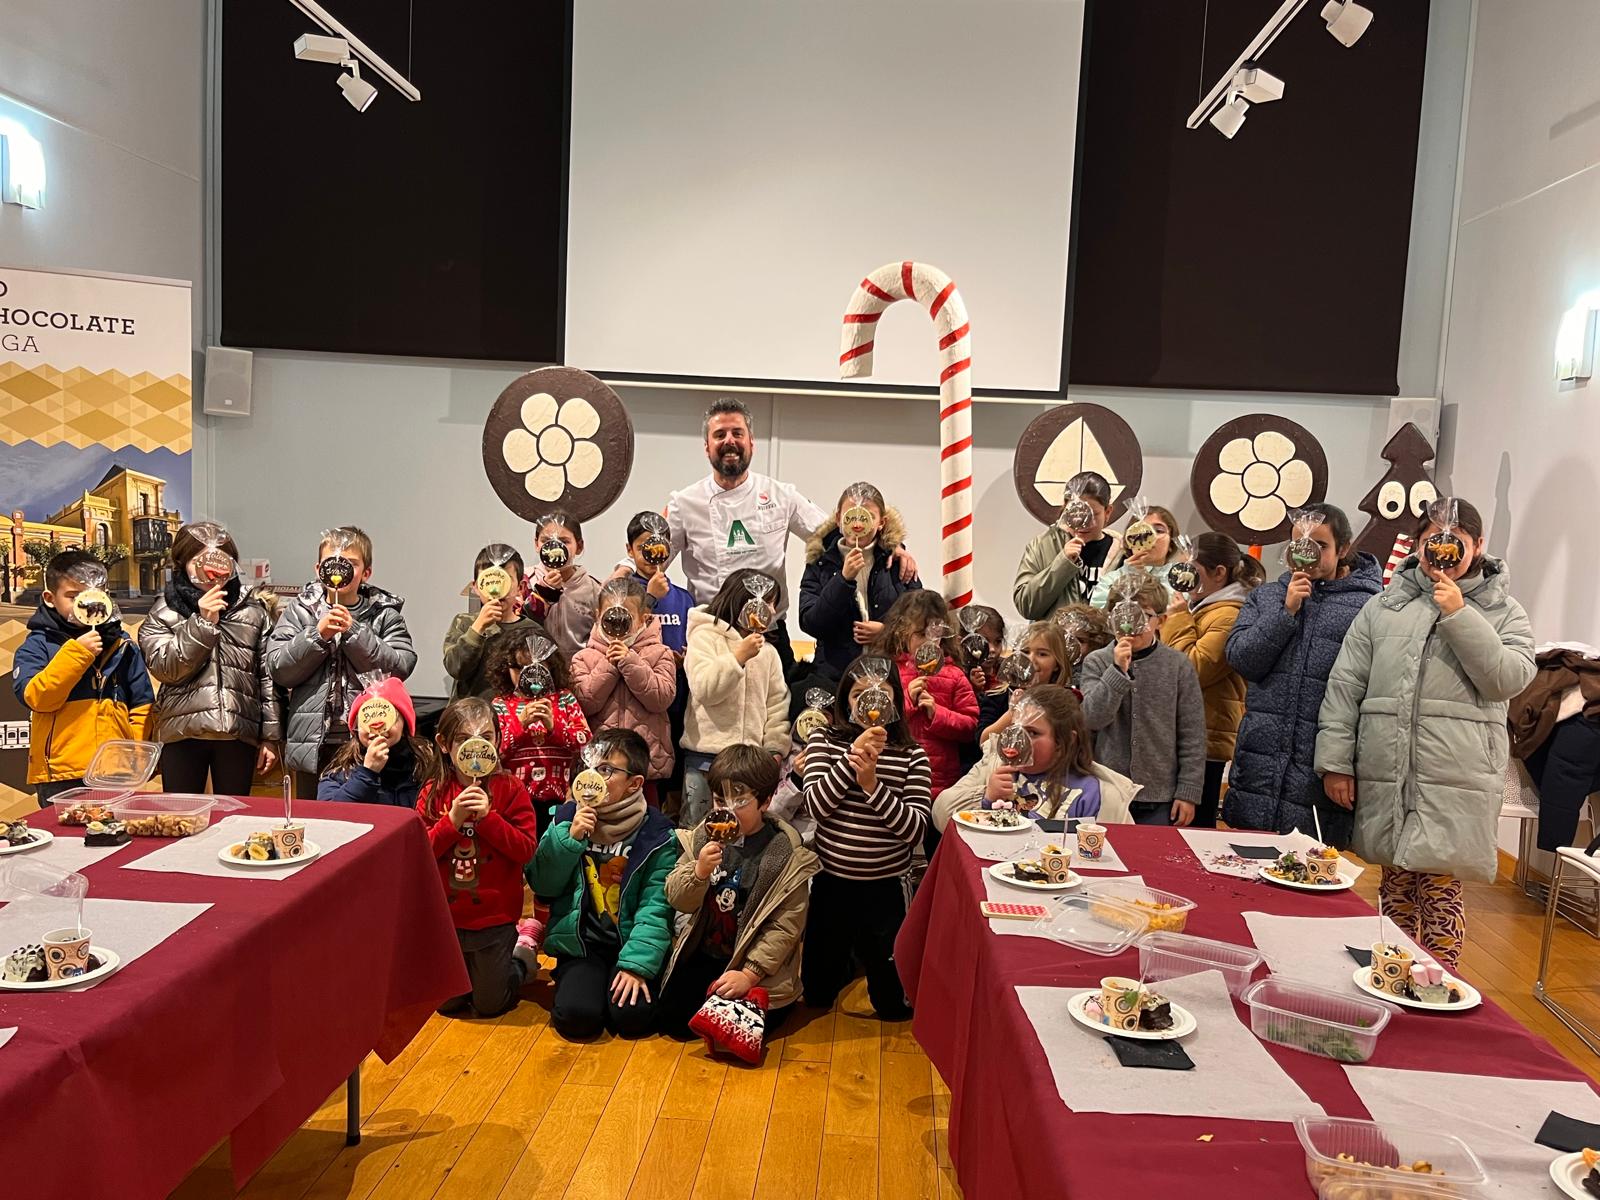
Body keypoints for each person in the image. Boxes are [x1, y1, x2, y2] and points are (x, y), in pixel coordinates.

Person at [1316, 499, 1534, 969]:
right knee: (1394, 882)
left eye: (1455, 540)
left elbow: (1509, 679)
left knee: (1440, 885)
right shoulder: (1385, 605)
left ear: (1477, 546)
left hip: (1456, 772)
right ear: (1416, 545)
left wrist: (1460, 615)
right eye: (1430, 539)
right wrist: (1335, 761)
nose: (1442, 550)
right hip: (1387, 766)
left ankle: (1437, 987)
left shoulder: (1503, 609)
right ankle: (1390, 975)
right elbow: (1346, 684)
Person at [666, 398, 914, 674]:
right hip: (712, 637)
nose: (729, 441)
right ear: (707, 446)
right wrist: (625, 570)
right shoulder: (684, 503)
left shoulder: (781, 495)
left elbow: (836, 531)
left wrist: (893, 545)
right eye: (719, 434)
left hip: (770, 634)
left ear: (751, 442)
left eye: (738, 433)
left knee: (776, 714)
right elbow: (652, 559)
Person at [1224, 504, 1382, 841]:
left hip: (1321, 769)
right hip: (1260, 764)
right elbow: (1241, 659)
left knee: (1313, 869)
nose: (1308, 552)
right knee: (1244, 868)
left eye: (1321, 545)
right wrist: (1285, 612)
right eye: (1300, 543)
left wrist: (1344, 764)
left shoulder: (1370, 607)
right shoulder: (1266, 597)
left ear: (1345, 548)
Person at [658, 745, 820, 1041]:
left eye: (740, 800)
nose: (727, 810)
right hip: (708, 952)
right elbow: (676, 897)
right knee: (672, 1022)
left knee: (730, 1032)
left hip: (757, 966)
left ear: (766, 801)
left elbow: (785, 927)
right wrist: (699, 872)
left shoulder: (784, 852)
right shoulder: (703, 836)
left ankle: (749, 1001)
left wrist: (749, 974)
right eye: (720, 799)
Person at [802, 656, 932, 1019]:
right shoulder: (824, 740)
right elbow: (815, 806)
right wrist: (851, 760)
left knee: (893, 1006)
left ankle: (868, 965)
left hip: (886, 887)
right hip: (831, 881)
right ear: (846, 699)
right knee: (816, 993)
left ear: (895, 702)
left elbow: (914, 830)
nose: (869, 704)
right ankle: (846, 964)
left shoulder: (912, 755)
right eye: (859, 694)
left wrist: (872, 785)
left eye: (880, 694)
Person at [528, 728, 678, 1040]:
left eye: (607, 770)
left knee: (632, 1019)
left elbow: (655, 905)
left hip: (630, 942)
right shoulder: (566, 817)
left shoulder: (656, 834)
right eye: (590, 766)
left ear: (635, 784)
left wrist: (637, 965)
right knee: (576, 1019)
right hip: (583, 946)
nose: (594, 777)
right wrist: (569, 840)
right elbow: (543, 885)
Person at [267, 526, 417, 798]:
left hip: (369, 738)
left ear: (366, 572)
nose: (340, 571)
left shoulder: (385, 615)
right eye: (331, 564)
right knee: (315, 822)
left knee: (365, 817)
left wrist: (355, 633)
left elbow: (400, 666)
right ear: (318, 569)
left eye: (351, 564)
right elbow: (279, 668)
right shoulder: (300, 612)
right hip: (312, 742)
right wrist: (317, 635)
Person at [418, 697, 540, 1018]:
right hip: (447, 920)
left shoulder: (510, 789)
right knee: (448, 1004)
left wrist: (488, 820)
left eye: (485, 739)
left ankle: (522, 955)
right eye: (463, 740)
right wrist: (451, 822)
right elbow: (421, 857)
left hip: (494, 920)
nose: (475, 749)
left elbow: (526, 849)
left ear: (498, 742)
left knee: (489, 1004)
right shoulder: (433, 791)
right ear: (444, 744)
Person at [139, 522, 279, 795]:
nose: (211, 571)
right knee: (180, 818)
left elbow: (267, 678)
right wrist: (202, 623)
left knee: (236, 819)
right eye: (198, 560)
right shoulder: (163, 612)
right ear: (182, 562)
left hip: (239, 732)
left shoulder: (253, 613)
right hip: (182, 734)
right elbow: (166, 669)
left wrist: (271, 737)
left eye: (221, 561)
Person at [14, 549, 153, 805]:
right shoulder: (38, 644)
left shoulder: (122, 645)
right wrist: (78, 653)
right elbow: (38, 698)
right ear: (49, 598)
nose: (86, 604)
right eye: (73, 596)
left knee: (116, 838)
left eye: (94, 596)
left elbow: (142, 703)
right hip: (61, 773)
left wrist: (131, 755)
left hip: (115, 773)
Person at [1077, 572, 1205, 826]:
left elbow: (1192, 733)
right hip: (1106, 790)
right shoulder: (1097, 661)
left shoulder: (1177, 665)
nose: (1130, 625)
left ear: (1161, 620)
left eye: (1142, 617)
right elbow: (1090, 719)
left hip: (1159, 795)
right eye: (1121, 615)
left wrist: (1188, 791)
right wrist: (1116, 671)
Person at [1159, 532, 1265, 827]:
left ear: (1219, 573)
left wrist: (1178, 618)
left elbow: (1191, 669)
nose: (1183, 578)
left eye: (1191, 571)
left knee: (1193, 828)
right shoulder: (1204, 608)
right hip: (1188, 734)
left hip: (1207, 739)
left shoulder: (1229, 615)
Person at [934, 685, 1139, 830]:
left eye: (1032, 733)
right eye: (1015, 730)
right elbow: (941, 816)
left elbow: (1113, 854)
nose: (1018, 741)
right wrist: (985, 797)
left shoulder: (1096, 793)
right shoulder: (995, 763)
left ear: (1064, 740)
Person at [681, 569, 791, 827]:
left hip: (749, 763)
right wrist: (738, 657)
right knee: (696, 830)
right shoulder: (704, 637)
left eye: (772, 604)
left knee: (740, 833)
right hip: (706, 759)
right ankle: (694, 870)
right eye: (764, 603)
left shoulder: (769, 653)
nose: (769, 611)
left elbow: (776, 704)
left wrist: (774, 749)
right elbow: (705, 690)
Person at [571, 577, 677, 801]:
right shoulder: (583, 658)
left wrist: (629, 660)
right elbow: (585, 704)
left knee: (647, 825)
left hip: (644, 765)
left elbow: (661, 699)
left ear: (643, 619)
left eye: (626, 616)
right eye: (610, 614)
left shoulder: (660, 653)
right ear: (598, 614)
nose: (617, 621)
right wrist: (610, 662)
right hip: (599, 766)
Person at [799, 482, 920, 675]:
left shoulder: (898, 564)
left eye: (868, 517)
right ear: (839, 519)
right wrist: (843, 580)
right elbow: (811, 624)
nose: (857, 525)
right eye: (850, 517)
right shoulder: (820, 562)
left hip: (889, 674)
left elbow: (920, 619)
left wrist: (886, 632)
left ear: (882, 522)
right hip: (836, 676)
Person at [876, 591, 978, 799]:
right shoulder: (887, 672)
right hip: (894, 778)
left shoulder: (955, 675)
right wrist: (906, 700)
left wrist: (937, 714)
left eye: (935, 635)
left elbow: (970, 726)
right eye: (921, 634)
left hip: (939, 783)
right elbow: (874, 718)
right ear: (902, 632)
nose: (928, 642)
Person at [486, 632, 590, 830]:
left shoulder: (564, 699)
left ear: (550, 667)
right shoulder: (500, 704)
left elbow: (586, 745)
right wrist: (520, 725)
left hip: (560, 798)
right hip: (513, 799)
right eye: (519, 668)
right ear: (506, 669)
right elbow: (493, 754)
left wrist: (555, 728)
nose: (529, 676)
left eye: (536, 668)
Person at [442, 543, 551, 702]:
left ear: (520, 587)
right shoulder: (464, 623)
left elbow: (539, 681)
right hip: (469, 718)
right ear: (476, 587)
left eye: (504, 581)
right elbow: (455, 668)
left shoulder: (531, 630)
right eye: (489, 582)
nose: (496, 590)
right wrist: (478, 628)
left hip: (516, 719)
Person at [1013, 471, 1125, 622]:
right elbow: (1026, 606)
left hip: (1105, 644)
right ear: (1065, 508)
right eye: (1076, 513)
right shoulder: (1043, 545)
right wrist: (1063, 563)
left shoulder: (1121, 552)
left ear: (1107, 512)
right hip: (1055, 643)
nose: (1084, 522)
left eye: (1093, 514)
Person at [317, 674, 423, 806]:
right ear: (356, 728)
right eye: (367, 719)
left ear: (405, 728)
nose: (377, 726)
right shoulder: (341, 772)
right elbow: (329, 814)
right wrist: (367, 772)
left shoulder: (423, 769)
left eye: (388, 717)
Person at [976, 620, 1076, 744]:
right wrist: (1013, 711)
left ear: (1057, 663)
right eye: (1025, 652)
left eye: (1042, 654)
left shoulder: (1066, 701)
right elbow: (983, 741)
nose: (1030, 659)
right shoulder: (996, 696)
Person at [613, 512, 695, 655]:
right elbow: (621, 633)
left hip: (678, 676)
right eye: (642, 548)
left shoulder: (684, 598)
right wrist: (650, 597)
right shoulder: (619, 595)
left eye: (659, 548)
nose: (651, 556)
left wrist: (688, 658)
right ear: (629, 550)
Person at [1090, 504, 1184, 609]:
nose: (1148, 537)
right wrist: (1129, 580)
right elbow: (1099, 617)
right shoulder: (1110, 581)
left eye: (1158, 530)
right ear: (1129, 541)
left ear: (1171, 543)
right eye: (1140, 531)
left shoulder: (1181, 581)